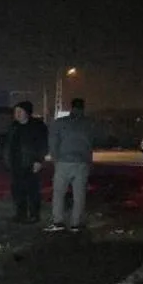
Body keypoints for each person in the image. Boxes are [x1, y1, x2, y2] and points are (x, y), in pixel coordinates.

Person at [46, 98, 93, 233]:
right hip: (81, 163)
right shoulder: (89, 124)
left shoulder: (60, 122)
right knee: (79, 195)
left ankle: (58, 221)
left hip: (63, 162)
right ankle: (75, 223)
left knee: (58, 194)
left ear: (71, 107)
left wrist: (56, 159)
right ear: (83, 108)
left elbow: (53, 142)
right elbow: (94, 141)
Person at [4, 101, 48, 223]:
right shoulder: (14, 126)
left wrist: (39, 160)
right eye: (15, 112)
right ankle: (20, 214)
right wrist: (7, 160)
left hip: (30, 164)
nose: (17, 114)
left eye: (20, 111)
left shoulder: (37, 126)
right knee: (18, 191)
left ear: (27, 113)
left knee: (32, 191)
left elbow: (43, 144)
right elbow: (8, 144)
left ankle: (34, 215)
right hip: (15, 164)